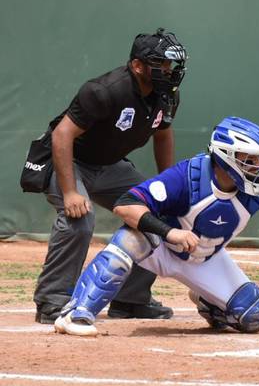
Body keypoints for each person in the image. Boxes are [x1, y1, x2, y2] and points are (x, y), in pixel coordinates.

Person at [53, 116, 259, 336]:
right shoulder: (187, 176)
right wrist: (169, 232)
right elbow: (126, 204)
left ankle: (208, 301)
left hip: (203, 259)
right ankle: (78, 312)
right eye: (249, 159)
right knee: (131, 239)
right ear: (226, 156)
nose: (257, 166)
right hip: (162, 245)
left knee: (257, 314)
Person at [31, 28, 187, 324]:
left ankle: (130, 300)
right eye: (161, 64)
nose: (168, 71)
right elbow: (62, 135)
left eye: (171, 65)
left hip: (110, 166)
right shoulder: (104, 90)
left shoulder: (166, 95)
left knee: (159, 213)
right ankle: (52, 301)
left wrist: (167, 187)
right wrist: (70, 192)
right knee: (79, 219)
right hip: (68, 162)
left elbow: (163, 135)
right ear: (138, 65)